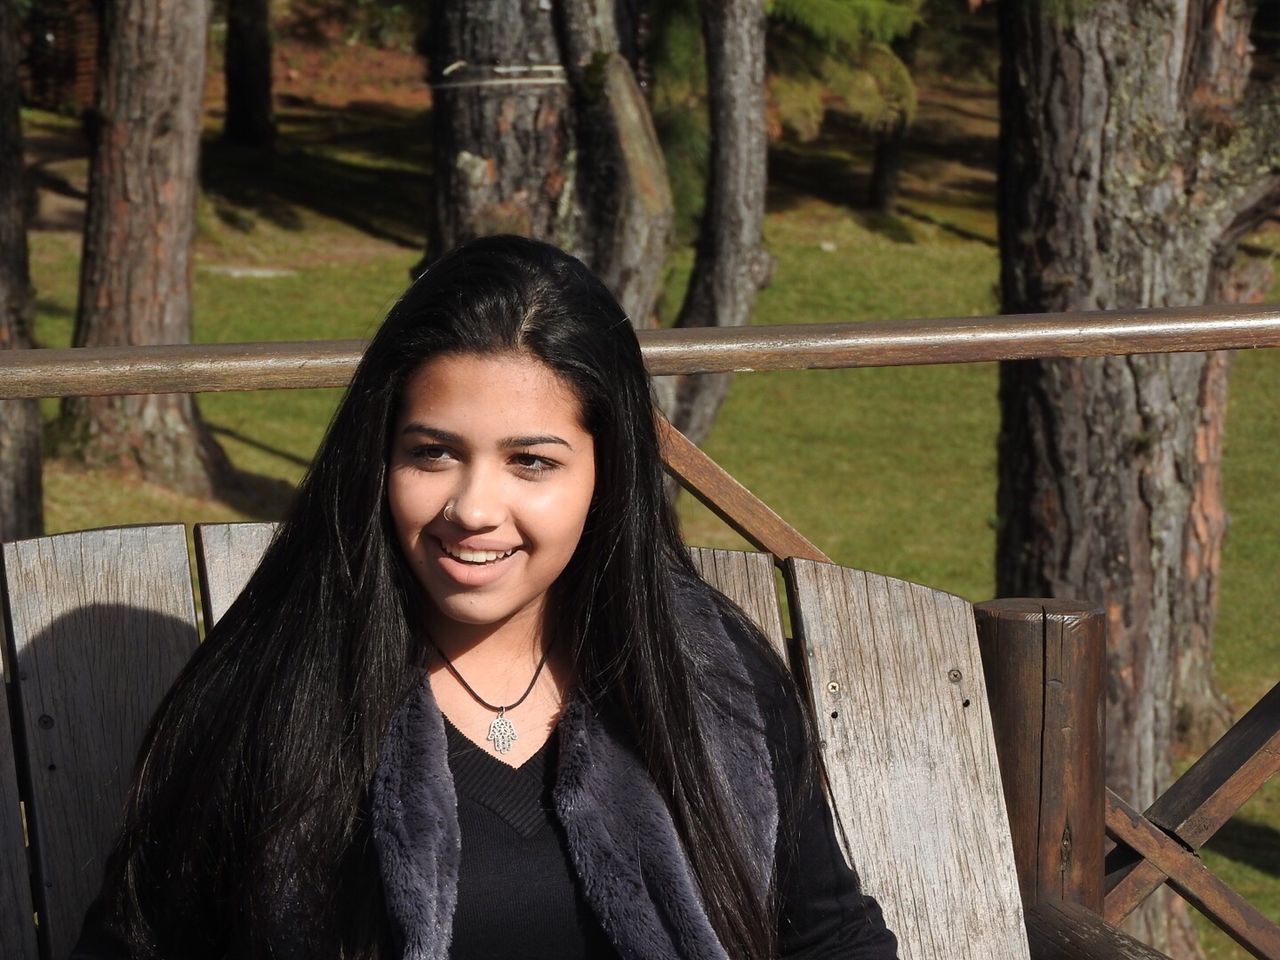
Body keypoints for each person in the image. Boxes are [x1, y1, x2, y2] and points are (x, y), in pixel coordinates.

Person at [73, 235, 899, 960]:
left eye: (531, 461)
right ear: (380, 457)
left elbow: (829, 938)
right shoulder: (274, 689)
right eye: (433, 453)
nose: (471, 507)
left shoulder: (710, 679)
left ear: (605, 477)